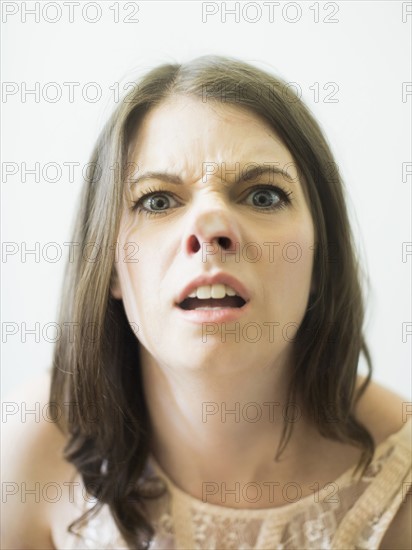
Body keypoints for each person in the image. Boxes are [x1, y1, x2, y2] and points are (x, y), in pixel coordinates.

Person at [2, 56, 411, 550]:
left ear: (320, 256)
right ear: (108, 264)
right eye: (157, 200)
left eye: (262, 196)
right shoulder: (33, 442)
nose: (211, 227)